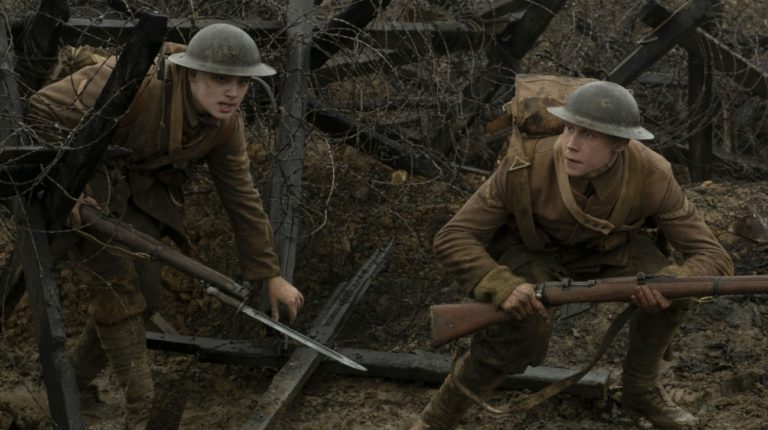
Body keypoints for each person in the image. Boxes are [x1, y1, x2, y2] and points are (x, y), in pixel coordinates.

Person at [411, 81, 733, 429]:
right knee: (518, 325)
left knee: (676, 293)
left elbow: (711, 254)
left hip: (613, 252)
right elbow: (455, 236)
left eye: (588, 135)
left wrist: (673, 283)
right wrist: (500, 284)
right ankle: (437, 419)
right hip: (534, 251)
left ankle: (640, 390)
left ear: (620, 144)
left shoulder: (653, 174)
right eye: (568, 128)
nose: (570, 144)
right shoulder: (524, 165)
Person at [27, 23, 304, 429]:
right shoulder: (130, 81)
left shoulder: (225, 125)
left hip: (133, 187)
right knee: (117, 286)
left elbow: (242, 198)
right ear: (191, 74)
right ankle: (143, 408)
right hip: (79, 180)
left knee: (148, 293)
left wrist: (270, 274)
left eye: (243, 82)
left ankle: (72, 385)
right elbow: (40, 108)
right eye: (220, 79)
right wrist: (70, 186)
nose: (233, 92)